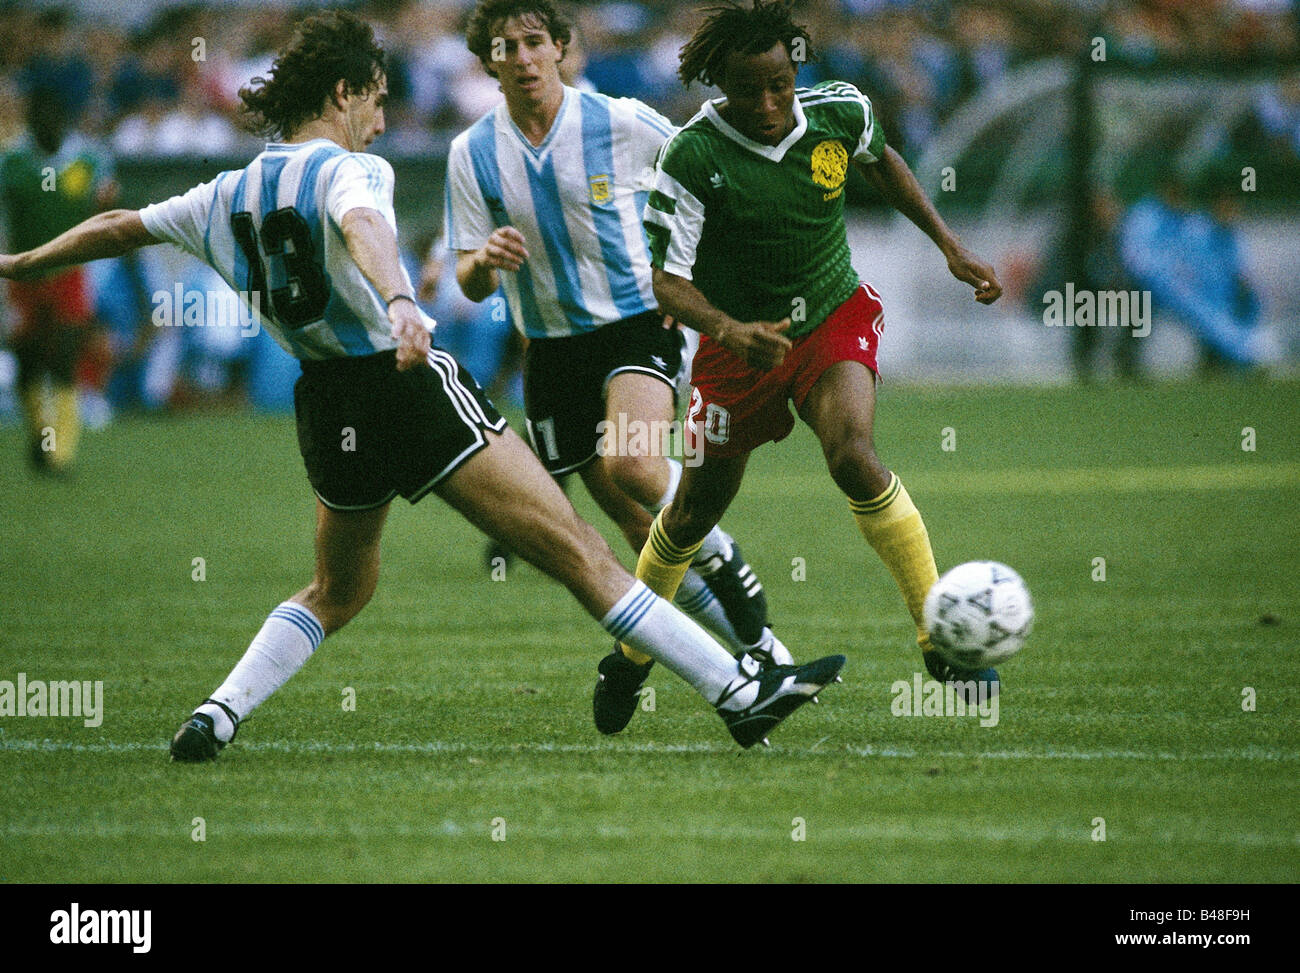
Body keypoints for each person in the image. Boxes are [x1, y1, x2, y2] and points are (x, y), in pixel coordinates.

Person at [0, 10, 844, 758]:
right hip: (405, 384)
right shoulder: (345, 170)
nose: (377, 121)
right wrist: (402, 301)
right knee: (583, 553)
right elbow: (365, 227)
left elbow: (119, 226)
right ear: (343, 93)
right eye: (372, 100)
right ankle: (741, 690)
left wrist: (22, 261)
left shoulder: (225, 190)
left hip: (324, 402)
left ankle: (219, 711)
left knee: (339, 588)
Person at [630, 0, 1005, 698]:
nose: (768, 104)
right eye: (749, 91)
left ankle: (938, 641)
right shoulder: (691, 155)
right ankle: (629, 654)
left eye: (779, 85)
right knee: (691, 513)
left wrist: (949, 245)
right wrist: (731, 331)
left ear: (795, 69)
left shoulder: (841, 111)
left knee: (853, 455)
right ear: (720, 84)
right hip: (739, 347)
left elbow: (882, 160)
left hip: (832, 313)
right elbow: (664, 282)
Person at [445, 0, 790, 737]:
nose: (523, 57)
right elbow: (466, 279)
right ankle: (764, 650)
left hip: (638, 320)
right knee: (639, 530)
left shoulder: (622, 121)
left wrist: (693, 280)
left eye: (536, 42)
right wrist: (484, 262)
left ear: (563, 48)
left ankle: (728, 560)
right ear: (489, 62)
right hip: (552, 351)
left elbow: (705, 173)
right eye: (507, 46)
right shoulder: (471, 154)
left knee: (635, 463)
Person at [0, 84, 117, 474]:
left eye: (54, 118)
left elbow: (107, 207)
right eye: (39, 119)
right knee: (30, 360)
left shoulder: (88, 160)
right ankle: (42, 432)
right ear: (31, 121)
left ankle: (59, 455)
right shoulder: (11, 162)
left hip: (70, 271)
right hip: (23, 271)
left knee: (66, 355)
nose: (47, 126)